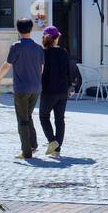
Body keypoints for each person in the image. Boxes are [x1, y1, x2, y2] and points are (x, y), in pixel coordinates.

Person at [0, 18, 43, 159]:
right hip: (36, 88)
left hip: (22, 88)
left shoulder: (16, 46)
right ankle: (33, 144)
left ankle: (26, 152)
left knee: (22, 119)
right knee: (28, 115)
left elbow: (7, 64)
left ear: (18, 30)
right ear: (31, 29)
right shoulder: (39, 48)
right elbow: (41, 69)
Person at [39, 25, 80, 157]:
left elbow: (40, 73)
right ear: (56, 38)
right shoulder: (63, 52)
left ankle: (52, 141)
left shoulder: (43, 53)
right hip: (63, 91)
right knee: (59, 119)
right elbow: (69, 71)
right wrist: (71, 86)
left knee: (44, 116)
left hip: (48, 91)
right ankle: (57, 150)